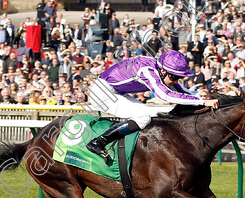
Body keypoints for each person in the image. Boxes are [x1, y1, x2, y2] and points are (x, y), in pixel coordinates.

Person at [85, 49, 218, 158]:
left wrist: (198, 96)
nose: (176, 81)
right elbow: (166, 95)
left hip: (115, 91)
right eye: (174, 77)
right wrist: (202, 101)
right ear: (164, 71)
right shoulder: (147, 71)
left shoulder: (160, 69)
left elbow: (178, 88)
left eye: (180, 77)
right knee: (143, 118)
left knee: (154, 115)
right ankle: (99, 142)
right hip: (103, 94)